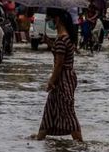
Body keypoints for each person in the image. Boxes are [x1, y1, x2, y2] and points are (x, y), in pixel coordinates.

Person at [34, 8, 82, 141]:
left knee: (67, 111)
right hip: (65, 78)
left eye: (52, 18)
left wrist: (51, 81)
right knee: (49, 111)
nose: (51, 21)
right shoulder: (65, 38)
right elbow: (60, 53)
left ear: (58, 19)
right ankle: (40, 138)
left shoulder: (62, 39)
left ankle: (80, 142)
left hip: (63, 80)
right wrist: (49, 42)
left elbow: (59, 64)